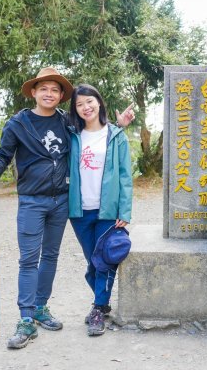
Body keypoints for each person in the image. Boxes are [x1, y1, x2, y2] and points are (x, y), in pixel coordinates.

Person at [0, 68, 134, 349]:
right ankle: (26, 319)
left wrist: (119, 125)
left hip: (62, 201)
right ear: (34, 92)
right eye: (43, 89)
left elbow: (99, 133)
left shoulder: (67, 123)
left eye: (55, 90)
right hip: (31, 200)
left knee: (50, 256)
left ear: (61, 96)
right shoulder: (19, 123)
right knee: (28, 259)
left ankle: (40, 307)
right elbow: (3, 153)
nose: (49, 94)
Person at [67, 84, 132, 337]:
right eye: (80, 104)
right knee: (92, 263)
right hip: (79, 211)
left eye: (90, 101)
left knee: (105, 260)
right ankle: (102, 302)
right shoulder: (72, 135)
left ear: (99, 103)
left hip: (107, 210)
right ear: (75, 109)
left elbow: (126, 176)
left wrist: (124, 211)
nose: (86, 107)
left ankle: (97, 309)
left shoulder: (116, 136)